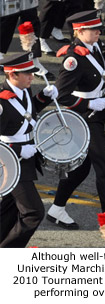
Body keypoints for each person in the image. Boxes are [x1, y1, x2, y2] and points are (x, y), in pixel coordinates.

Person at [46, 10, 105, 243]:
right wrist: (88, 102)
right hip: (82, 117)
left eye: (98, 29)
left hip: (97, 114)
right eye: (93, 30)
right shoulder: (73, 58)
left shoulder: (96, 48)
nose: (98, 33)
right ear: (78, 31)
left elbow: (97, 71)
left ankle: (57, 209)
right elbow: (61, 96)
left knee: (81, 168)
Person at [0, 52, 58, 247]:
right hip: (9, 162)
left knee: (9, 210)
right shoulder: (0, 101)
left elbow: (25, 114)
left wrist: (44, 97)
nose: (32, 76)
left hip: (26, 158)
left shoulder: (23, 90)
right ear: (12, 74)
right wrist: (17, 150)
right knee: (33, 213)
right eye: (27, 73)